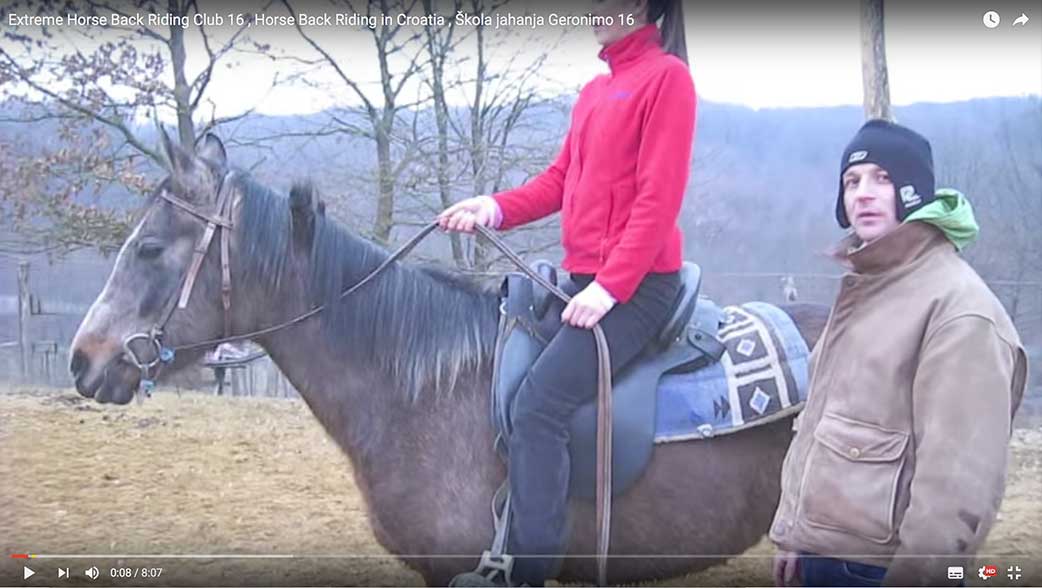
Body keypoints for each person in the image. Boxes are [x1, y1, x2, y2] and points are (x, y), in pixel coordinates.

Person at [437, 0, 695, 585]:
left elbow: (659, 200)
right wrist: (494, 208)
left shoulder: (668, 79)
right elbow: (559, 180)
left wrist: (612, 286)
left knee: (539, 406)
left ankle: (525, 571)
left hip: (637, 289)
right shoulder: (594, 92)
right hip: (585, 280)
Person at [770, 119, 1028, 587]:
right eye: (852, 181)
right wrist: (794, 533)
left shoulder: (960, 310)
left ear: (915, 191)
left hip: (879, 569)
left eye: (882, 178)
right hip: (821, 558)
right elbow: (819, 422)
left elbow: (958, 483)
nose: (863, 193)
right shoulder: (866, 290)